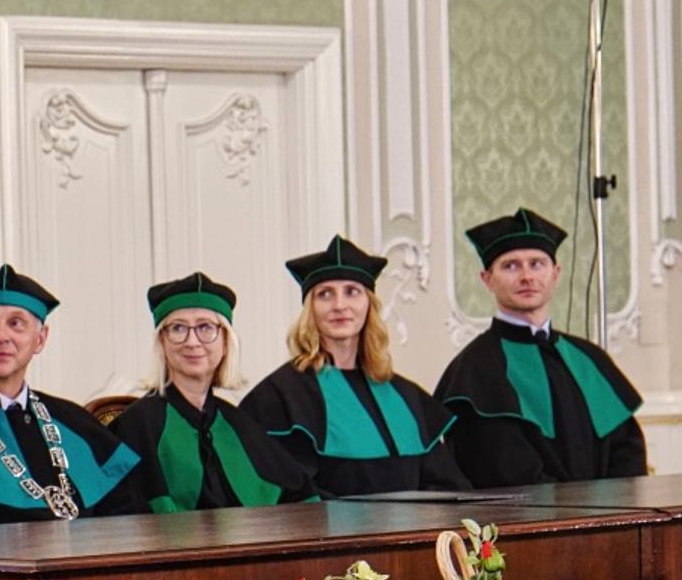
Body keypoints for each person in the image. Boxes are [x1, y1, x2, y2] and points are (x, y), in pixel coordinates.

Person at [0, 264, 148, 522]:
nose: (1, 336)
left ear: (40, 339)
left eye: (16, 323)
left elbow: (130, 517)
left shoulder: (75, 421)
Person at [241, 236, 471, 496]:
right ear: (310, 309)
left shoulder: (407, 396)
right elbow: (291, 494)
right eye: (325, 294)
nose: (340, 305)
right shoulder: (280, 397)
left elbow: (447, 487)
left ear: (369, 305)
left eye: (352, 291)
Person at [435, 208, 646, 487]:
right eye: (511, 266)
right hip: (531, 512)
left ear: (555, 273)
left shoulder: (590, 357)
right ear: (487, 279)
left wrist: (617, 504)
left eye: (537, 264)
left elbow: (627, 450)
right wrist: (570, 507)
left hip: (610, 510)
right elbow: (500, 465)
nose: (527, 276)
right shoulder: (475, 369)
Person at [109, 272, 319, 512]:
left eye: (205, 327)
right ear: (162, 343)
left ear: (226, 343)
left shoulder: (239, 424)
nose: (192, 342)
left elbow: (301, 495)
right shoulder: (138, 425)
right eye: (178, 328)